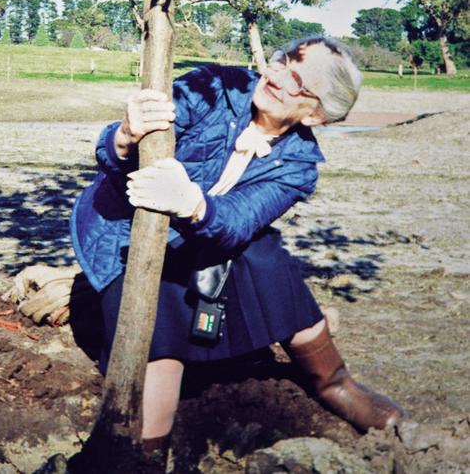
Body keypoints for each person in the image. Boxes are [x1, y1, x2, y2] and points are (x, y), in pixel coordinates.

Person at [70, 36, 403, 459]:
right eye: (283, 60)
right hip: (128, 229)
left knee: (267, 257)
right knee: (161, 345)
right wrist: (123, 136)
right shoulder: (214, 86)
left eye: (297, 80)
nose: (276, 76)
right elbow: (116, 162)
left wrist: (192, 204)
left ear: (316, 114)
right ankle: (148, 452)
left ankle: (335, 382)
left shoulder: (298, 165)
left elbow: (237, 222)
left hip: (203, 231)